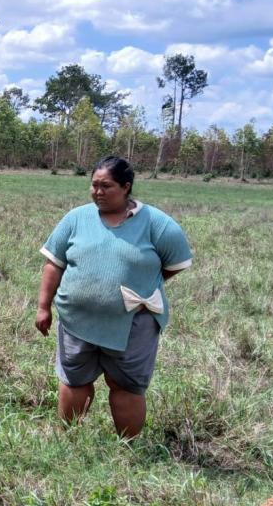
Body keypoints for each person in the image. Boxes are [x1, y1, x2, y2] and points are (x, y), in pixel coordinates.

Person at [35, 156, 193, 438]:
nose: (98, 191)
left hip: (133, 325)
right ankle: (69, 438)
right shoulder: (76, 219)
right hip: (76, 321)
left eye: (106, 186)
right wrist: (43, 307)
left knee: (127, 386)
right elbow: (54, 263)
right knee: (73, 379)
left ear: (126, 187)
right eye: (94, 185)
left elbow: (173, 265)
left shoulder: (157, 224)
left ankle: (126, 449)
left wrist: (140, 286)